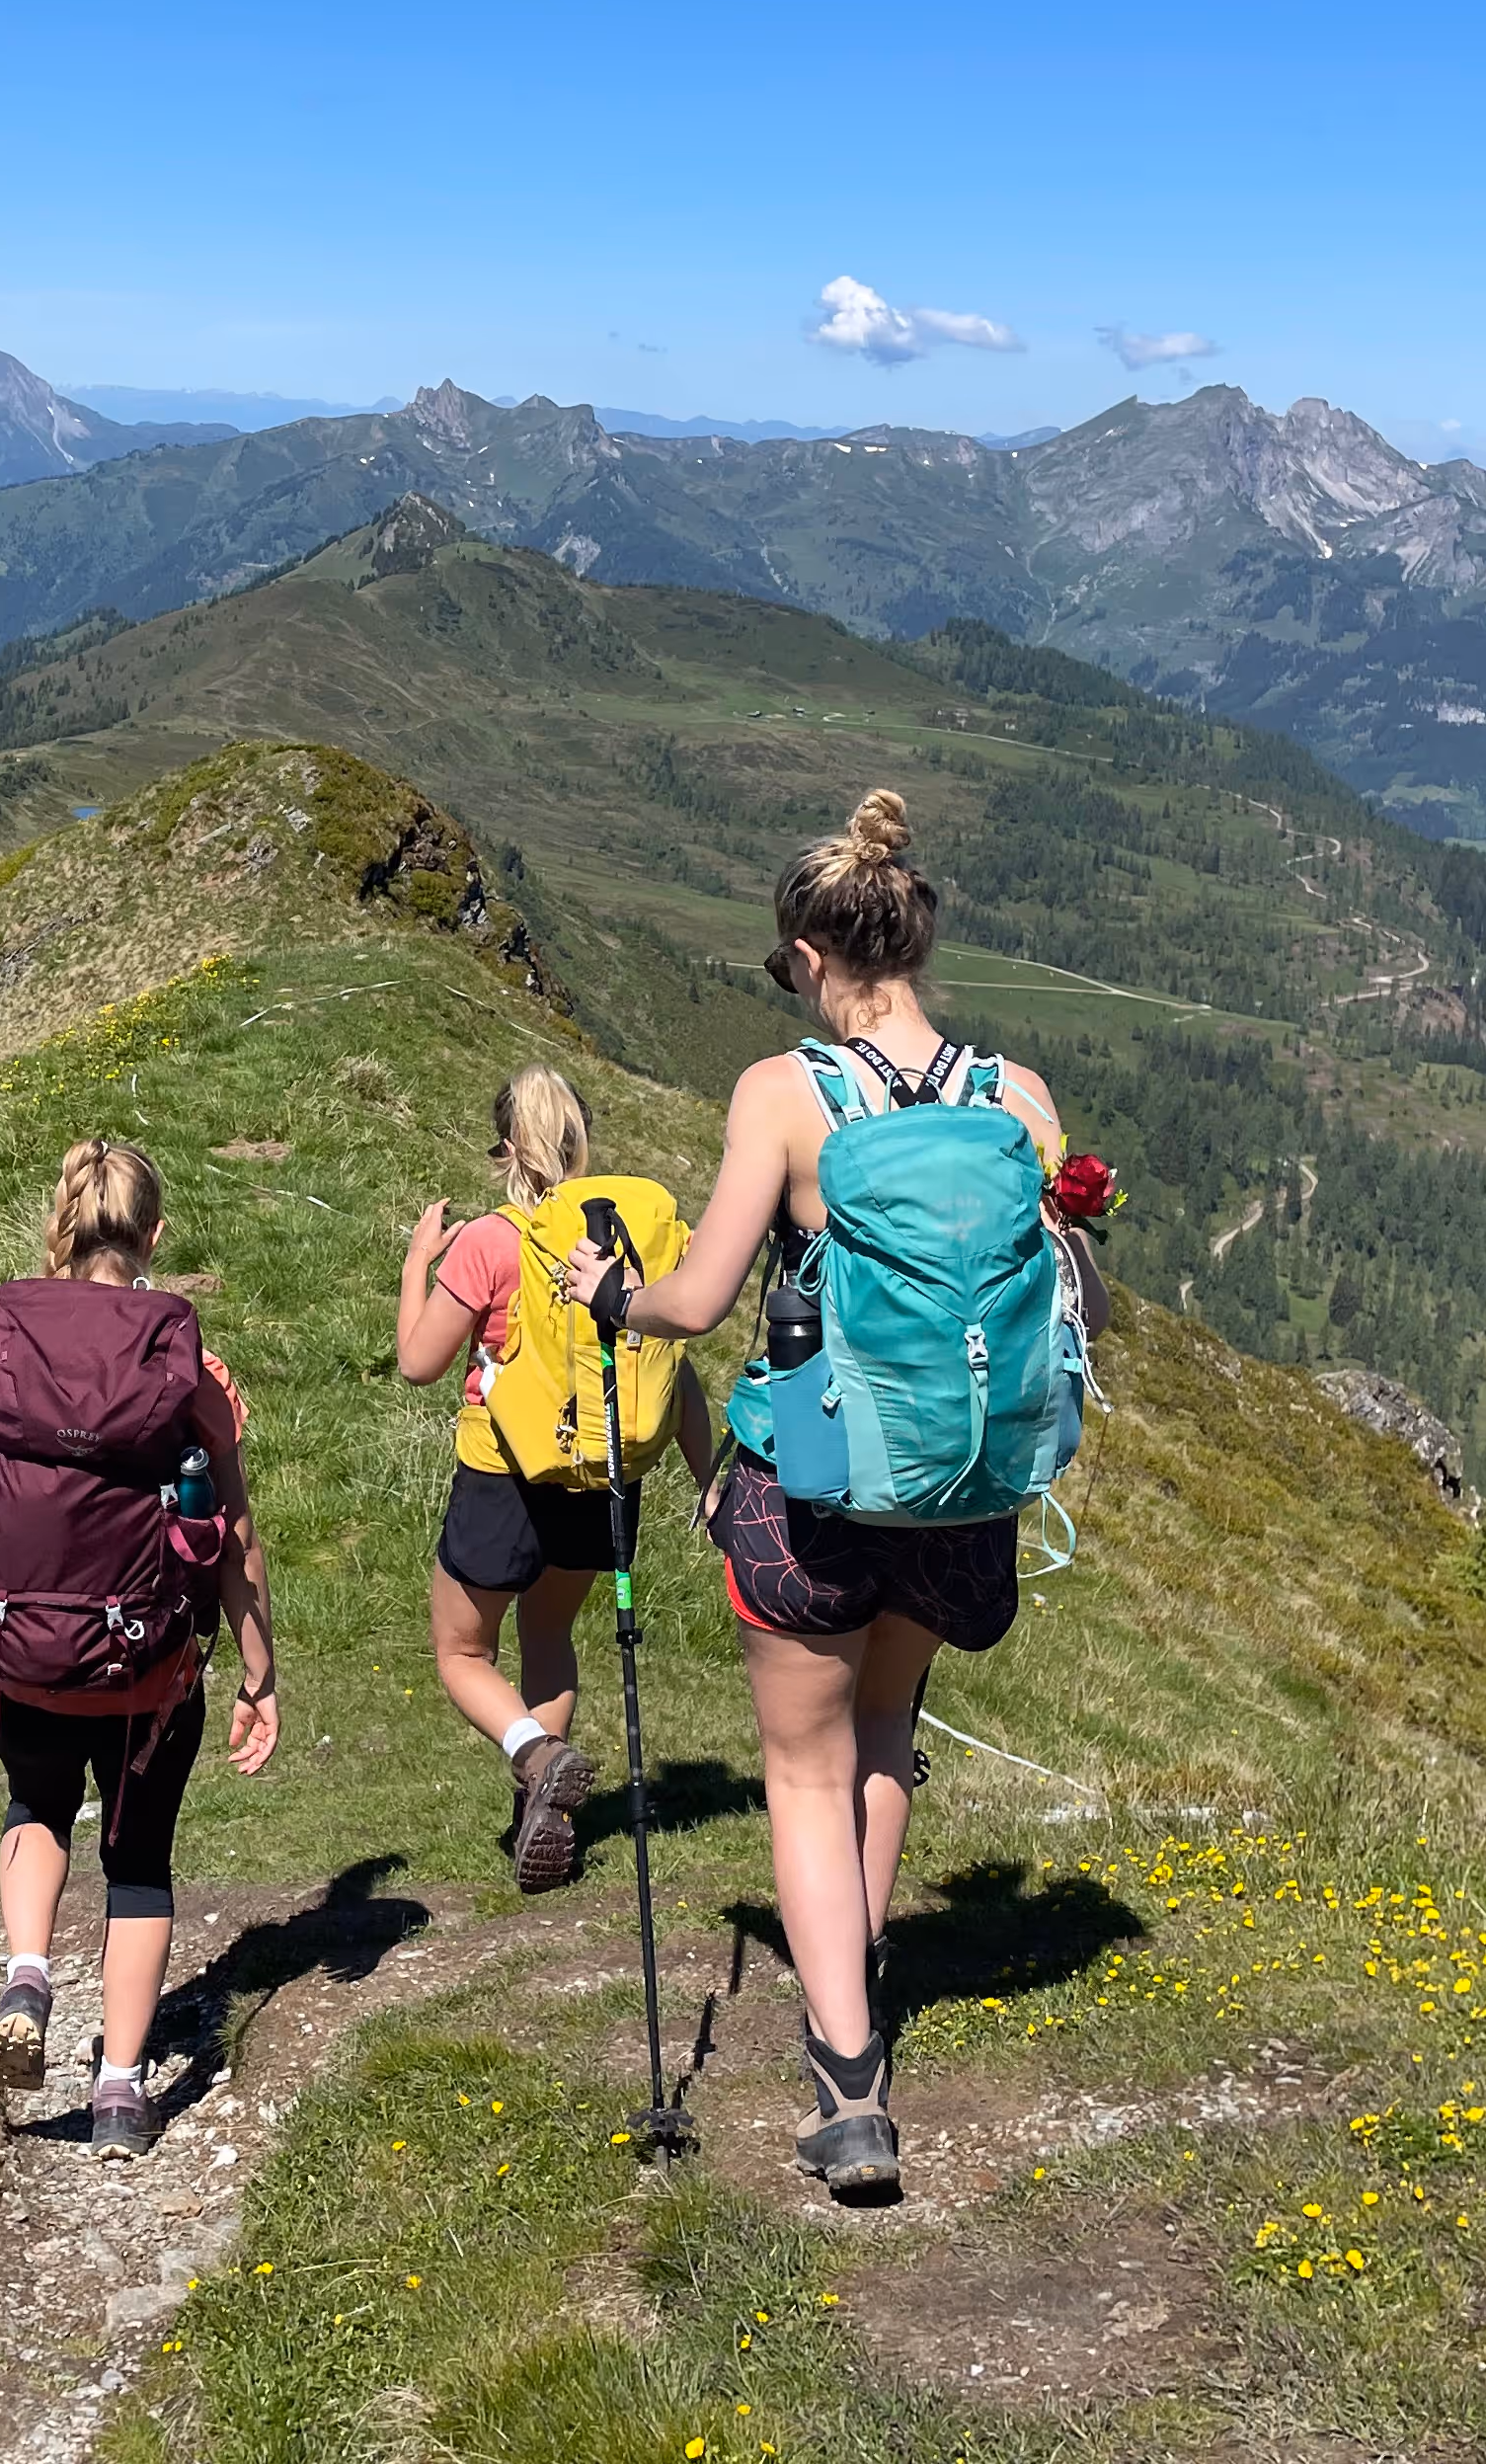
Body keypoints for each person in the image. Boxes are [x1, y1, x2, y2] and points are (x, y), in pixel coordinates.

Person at [565, 790, 1069, 2200]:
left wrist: (618, 1297)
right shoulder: (1016, 1098)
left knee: (802, 1764)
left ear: (806, 956)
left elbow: (703, 1295)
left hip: (821, 1485)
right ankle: (860, 1950)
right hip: (963, 1492)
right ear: (915, 936)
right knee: (890, 1729)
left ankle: (850, 2085)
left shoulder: (785, 1097)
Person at [0, 1139, 282, 2158]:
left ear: (60, 1224)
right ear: (154, 1236)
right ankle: (122, 2093)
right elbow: (235, 1541)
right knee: (139, 1864)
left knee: (37, 1803)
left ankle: (29, 1974)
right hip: (150, 1670)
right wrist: (260, 1672)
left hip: (22, 1651)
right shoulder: (186, 1368)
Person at [397, 1068, 708, 1890]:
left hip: (503, 1467)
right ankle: (539, 1811)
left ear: (505, 1146)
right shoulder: (614, 1239)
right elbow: (678, 1373)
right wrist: (710, 1477)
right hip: (603, 1466)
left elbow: (419, 1363)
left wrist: (417, 1266)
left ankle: (537, 1756)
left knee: (462, 1651)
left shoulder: (491, 1240)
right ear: (581, 1139)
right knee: (549, 1636)